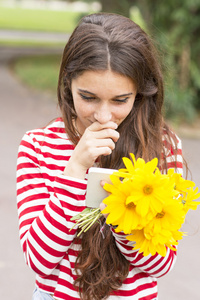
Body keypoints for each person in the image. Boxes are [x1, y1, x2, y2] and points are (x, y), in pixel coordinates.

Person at [16, 13, 183, 300]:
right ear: (68, 83)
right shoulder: (38, 146)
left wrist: (123, 211)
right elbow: (39, 261)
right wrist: (76, 168)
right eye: (89, 97)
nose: (104, 116)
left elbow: (161, 263)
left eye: (120, 100)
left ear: (140, 93)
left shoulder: (162, 147)